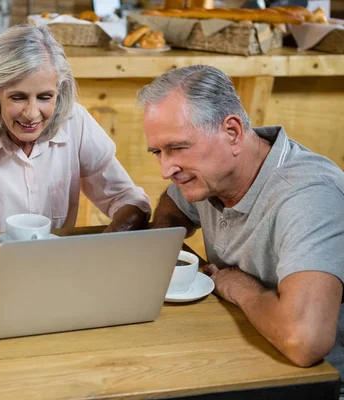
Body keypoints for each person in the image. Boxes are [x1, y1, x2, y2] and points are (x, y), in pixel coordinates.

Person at [139, 65, 344, 382]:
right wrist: (165, 246)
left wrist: (241, 289)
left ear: (232, 132)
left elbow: (305, 342)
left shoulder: (308, 197)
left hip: (319, 381)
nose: (167, 169)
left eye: (178, 147)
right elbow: (172, 204)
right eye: (158, 152)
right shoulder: (212, 174)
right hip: (247, 351)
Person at [0, 25, 151, 271]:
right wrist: (18, 266)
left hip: (59, 269)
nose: (31, 114)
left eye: (45, 97)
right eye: (18, 97)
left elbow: (125, 197)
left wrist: (106, 244)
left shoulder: (75, 121)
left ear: (59, 92)